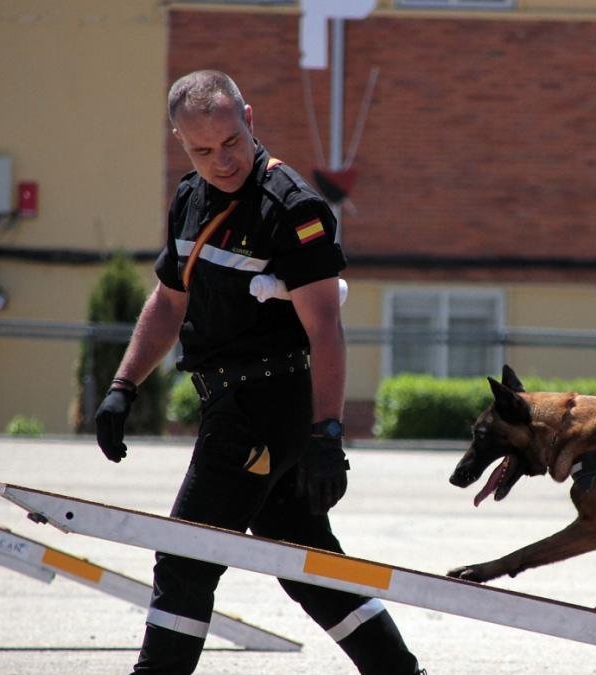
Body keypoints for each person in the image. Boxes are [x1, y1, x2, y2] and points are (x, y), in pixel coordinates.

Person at [94, 69, 423, 675]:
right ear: (179, 141)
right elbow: (169, 302)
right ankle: (397, 672)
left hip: (264, 411)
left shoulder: (292, 207)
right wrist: (123, 386)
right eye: (201, 150)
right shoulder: (191, 199)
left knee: (186, 557)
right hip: (229, 404)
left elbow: (325, 328)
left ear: (249, 117)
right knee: (305, 560)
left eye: (230, 142)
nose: (221, 161)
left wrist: (328, 435)